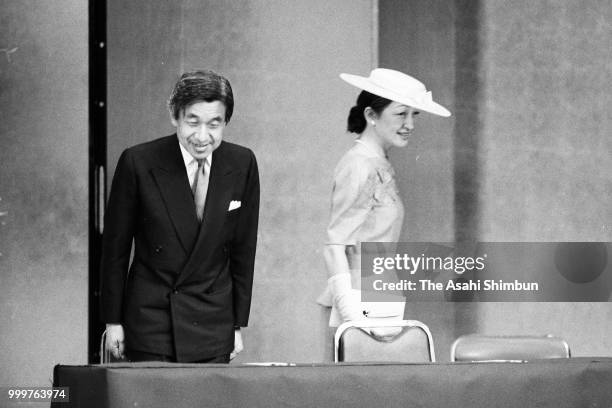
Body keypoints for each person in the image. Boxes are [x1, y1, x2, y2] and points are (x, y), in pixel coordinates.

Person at [100, 70, 260, 363]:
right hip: (153, 320)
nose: (202, 136)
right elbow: (115, 250)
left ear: (226, 122)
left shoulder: (242, 163)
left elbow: (243, 250)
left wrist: (236, 324)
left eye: (214, 124)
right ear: (175, 117)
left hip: (213, 320)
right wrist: (113, 321)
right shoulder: (139, 162)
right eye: (192, 122)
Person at [318, 68, 450, 341]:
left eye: (415, 115)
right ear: (371, 115)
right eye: (401, 114)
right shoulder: (359, 164)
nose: (410, 124)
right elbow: (335, 246)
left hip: (379, 290)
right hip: (358, 297)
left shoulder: (378, 162)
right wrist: (352, 314)